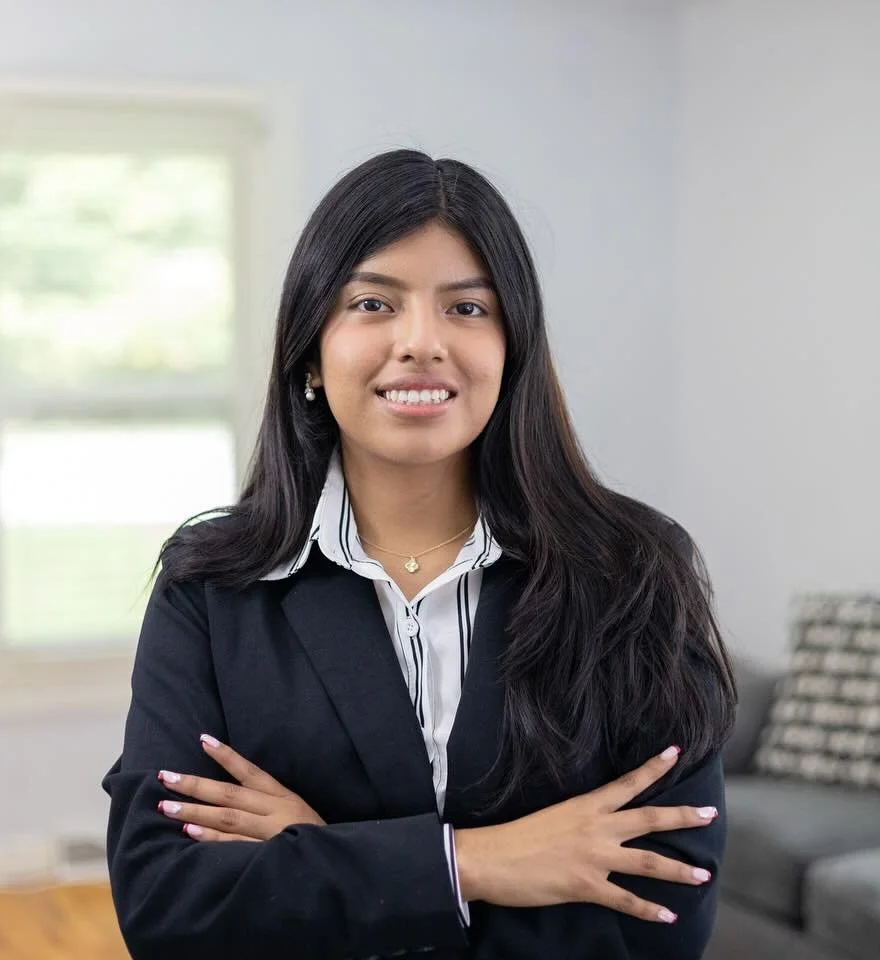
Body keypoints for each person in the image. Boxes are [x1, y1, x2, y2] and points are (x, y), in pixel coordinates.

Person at [101, 149, 737, 960]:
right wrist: (476, 863)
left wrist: (323, 856)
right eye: (373, 302)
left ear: (513, 352)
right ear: (308, 352)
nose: (421, 343)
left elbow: (661, 921)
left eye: (467, 309)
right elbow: (168, 908)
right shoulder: (213, 586)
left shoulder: (634, 573)